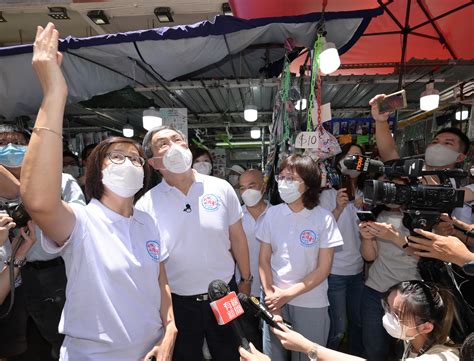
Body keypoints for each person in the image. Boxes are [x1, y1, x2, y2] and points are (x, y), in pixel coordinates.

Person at [20, 23, 177, 360]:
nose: (130, 162)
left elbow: (160, 280)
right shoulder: (82, 221)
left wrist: (170, 327)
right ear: (97, 171)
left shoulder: (147, 222)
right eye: (117, 156)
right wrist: (54, 93)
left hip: (152, 352)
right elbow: (38, 201)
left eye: (136, 158)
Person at [137, 125, 252, 361]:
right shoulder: (146, 206)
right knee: (185, 355)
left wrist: (246, 279)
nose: (174, 147)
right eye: (163, 144)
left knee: (233, 352)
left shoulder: (220, 188)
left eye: (177, 139)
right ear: (153, 163)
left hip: (224, 293)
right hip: (179, 303)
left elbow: (238, 237)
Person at [0, 121, 85, 361]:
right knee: (16, 347)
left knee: (62, 339)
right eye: (2, 144)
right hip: (8, 278)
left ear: (30, 146)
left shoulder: (60, 181)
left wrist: (41, 206)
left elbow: (79, 225)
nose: (9, 148)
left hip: (54, 273)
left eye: (16, 143)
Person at [257, 154, 343, 361]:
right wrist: (272, 298)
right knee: (272, 355)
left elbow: (324, 269)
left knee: (308, 355)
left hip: (310, 300)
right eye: (282, 177)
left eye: (292, 178)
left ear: (309, 184)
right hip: (273, 297)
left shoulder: (323, 218)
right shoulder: (272, 214)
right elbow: (263, 260)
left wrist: (286, 295)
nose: (284, 183)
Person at [240, 280, 459, 361]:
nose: (388, 317)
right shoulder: (416, 340)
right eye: (387, 308)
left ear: (426, 326)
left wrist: (307, 347)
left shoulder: (439, 357)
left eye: (396, 314)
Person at [370, 94, 471, 224]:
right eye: (435, 141)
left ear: (460, 157)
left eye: (448, 143)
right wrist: (381, 121)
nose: (438, 146)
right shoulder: (412, 171)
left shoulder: (453, 186)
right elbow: (389, 153)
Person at [359, 178, 421, 361]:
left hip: (408, 295)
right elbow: (369, 257)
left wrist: (395, 237)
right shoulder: (375, 215)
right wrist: (366, 238)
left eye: (397, 187)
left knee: (405, 352)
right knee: (374, 350)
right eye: (386, 186)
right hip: (375, 291)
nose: (390, 191)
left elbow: (423, 255)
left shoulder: (421, 217)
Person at [319, 143, 365, 355]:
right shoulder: (327, 194)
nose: (355, 160)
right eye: (350, 156)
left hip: (359, 270)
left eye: (359, 156)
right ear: (339, 161)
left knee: (358, 322)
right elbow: (322, 234)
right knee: (338, 328)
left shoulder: (368, 192)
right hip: (335, 271)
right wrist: (337, 209)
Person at [238, 168, 272, 350]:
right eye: (242, 188)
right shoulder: (235, 217)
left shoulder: (277, 214)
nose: (247, 192)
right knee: (250, 341)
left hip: (273, 291)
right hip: (245, 288)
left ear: (263, 187)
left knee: (273, 342)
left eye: (252, 186)